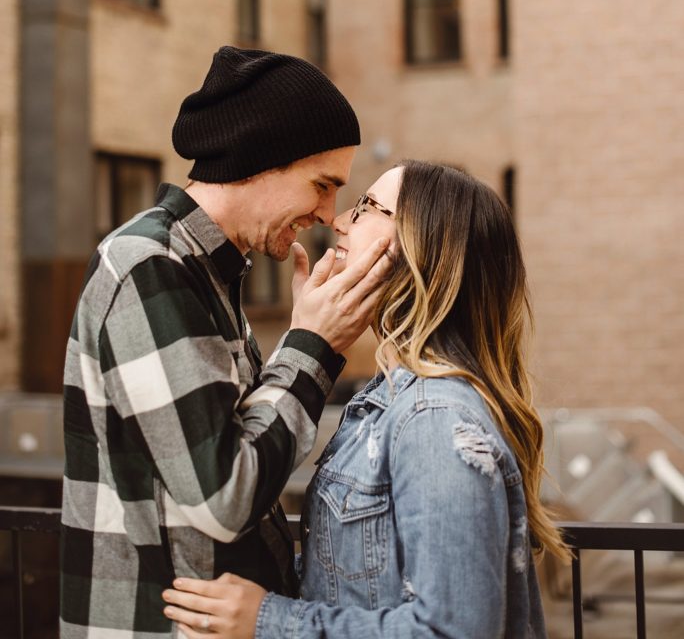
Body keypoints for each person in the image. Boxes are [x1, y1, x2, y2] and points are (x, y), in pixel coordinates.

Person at [60, 47, 391, 638]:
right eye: (321, 185)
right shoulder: (149, 266)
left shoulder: (207, 270)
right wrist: (313, 346)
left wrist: (301, 340)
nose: (327, 212)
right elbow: (223, 496)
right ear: (258, 159)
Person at [162, 160, 570, 639]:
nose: (337, 220)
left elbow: (454, 630)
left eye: (367, 208)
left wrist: (268, 620)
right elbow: (354, 577)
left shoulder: (434, 418)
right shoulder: (387, 400)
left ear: (421, 247)